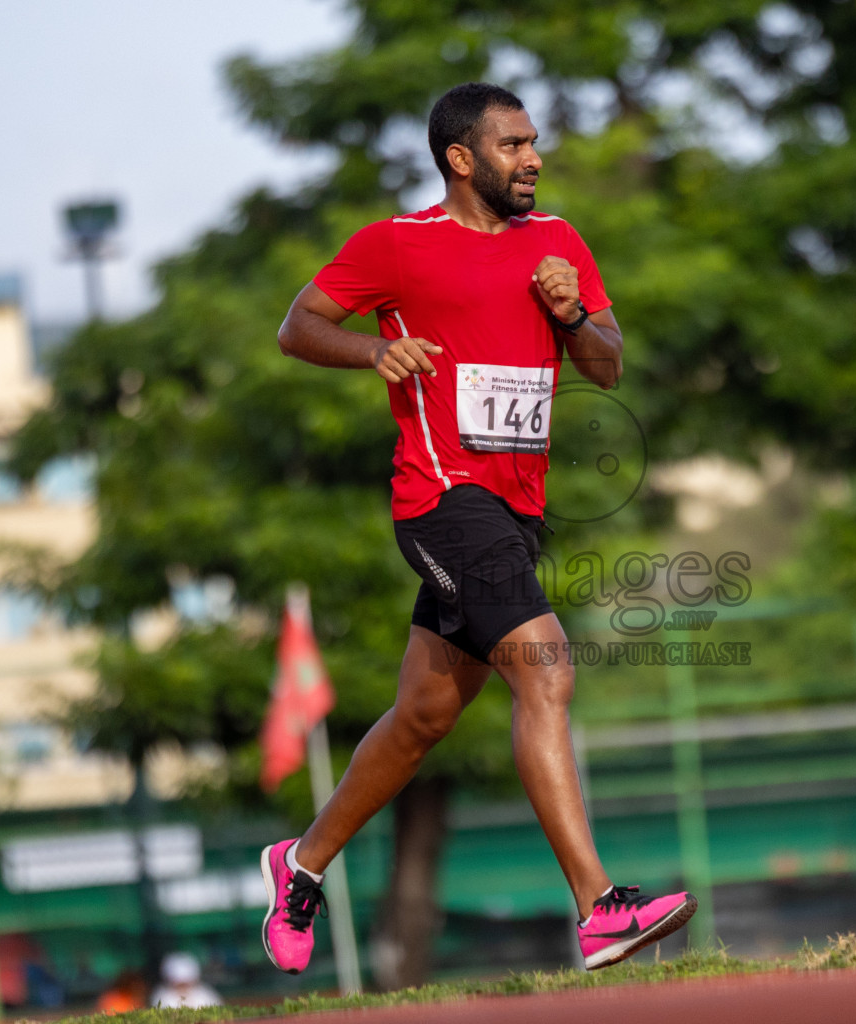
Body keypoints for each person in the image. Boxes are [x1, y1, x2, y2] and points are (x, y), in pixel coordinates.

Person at [262, 82, 696, 976]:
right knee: (548, 671)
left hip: (515, 510)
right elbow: (297, 325)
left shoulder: (559, 243)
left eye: (535, 144)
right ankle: (599, 906)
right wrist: (374, 349)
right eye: (511, 146)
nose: (532, 160)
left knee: (423, 715)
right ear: (461, 160)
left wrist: (572, 310)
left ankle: (298, 864)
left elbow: (607, 369)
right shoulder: (397, 247)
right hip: (441, 499)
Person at [149, 953, 221, 1009]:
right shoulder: (161, 996)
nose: (183, 987)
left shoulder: (206, 994)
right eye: (179, 984)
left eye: (186, 983)